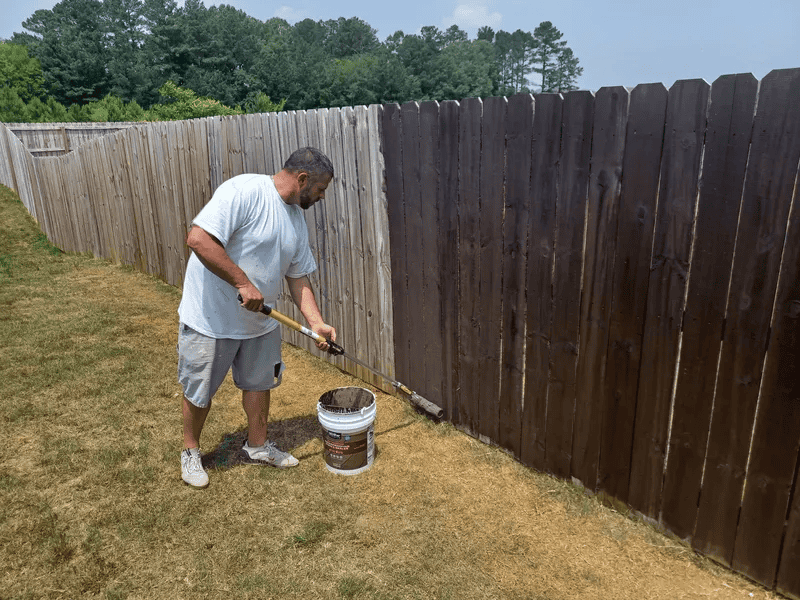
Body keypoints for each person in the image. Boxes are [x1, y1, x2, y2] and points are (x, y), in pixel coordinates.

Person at [177, 147, 336, 488]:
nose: (321, 197)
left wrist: (316, 322)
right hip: (211, 317)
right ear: (303, 179)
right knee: (199, 390)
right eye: (320, 190)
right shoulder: (244, 191)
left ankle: (258, 445)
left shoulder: (295, 219)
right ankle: (190, 451)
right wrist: (242, 282)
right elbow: (198, 239)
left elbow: (298, 277)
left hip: (260, 323)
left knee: (260, 385)